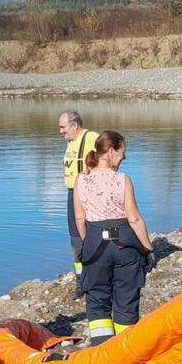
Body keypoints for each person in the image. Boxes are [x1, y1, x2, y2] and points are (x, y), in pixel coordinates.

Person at [73, 131, 156, 346]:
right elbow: (135, 218)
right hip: (125, 242)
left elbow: (80, 219)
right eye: (122, 153)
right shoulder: (123, 180)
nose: (124, 158)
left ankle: (102, 350)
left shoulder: (81, 179)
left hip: (94, 241)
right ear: (111, 151)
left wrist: (88, 243)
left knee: (97, 298)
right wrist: (148, 249)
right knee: (127, 295)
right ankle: (126, 348)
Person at [60, 111, 99, 287]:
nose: (61, 131)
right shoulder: (72, 142)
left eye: (63, 127)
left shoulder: (91, 138)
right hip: (72, 193)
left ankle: (97, 274)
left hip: (86, 193)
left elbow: (107, 158)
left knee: (91, 233)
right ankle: (81, 280)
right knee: (75, 238)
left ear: (74, 125)